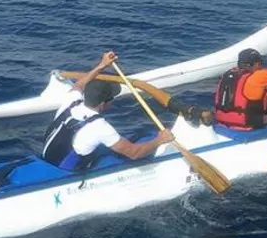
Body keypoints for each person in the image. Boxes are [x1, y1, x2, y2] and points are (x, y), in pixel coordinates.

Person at [41, 51, 174, 171]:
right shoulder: (99, 127)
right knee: (142, 142)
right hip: (67, 171)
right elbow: (134, 153)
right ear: (103, 104)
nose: (113, 101)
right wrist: (160, 140)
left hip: (48, 159)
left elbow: (79, 84)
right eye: (111, 98)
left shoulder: (71, 102)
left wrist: (102, 65)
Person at [213, 29, 267, 130]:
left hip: (223, 123)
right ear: (256, 63)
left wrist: (264, 96)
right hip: (248, 126)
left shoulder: (228, 74)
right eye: (260, 63)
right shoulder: (259, 77)